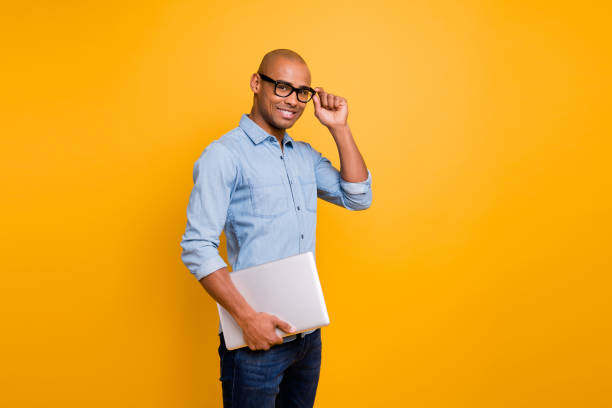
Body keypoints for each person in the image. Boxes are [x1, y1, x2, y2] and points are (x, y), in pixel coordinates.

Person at [180, 48, 373, 407]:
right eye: (282, 87)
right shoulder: (224, 156)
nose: (294, 101)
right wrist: (247, 319)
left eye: (303, 91)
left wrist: (339, 127)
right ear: (257, 83)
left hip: (307, 338)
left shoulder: (303, 156)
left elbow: (358, 196)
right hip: (257, 342)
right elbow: (197, 246)